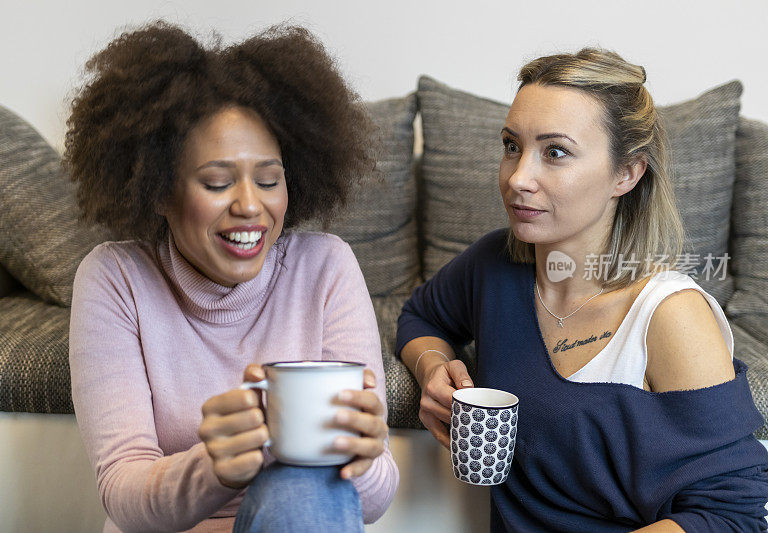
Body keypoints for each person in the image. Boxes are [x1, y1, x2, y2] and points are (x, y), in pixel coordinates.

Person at [397, 48, 768, 532]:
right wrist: (430, 370)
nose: (517, 178)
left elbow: (735, 515)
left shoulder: (670, 315)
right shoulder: (493, 266)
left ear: (626, 174)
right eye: (512, 146)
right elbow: (421, 318)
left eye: (555, 152)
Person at [66, 21, 398, 533]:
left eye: (269, 180)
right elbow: (122, 494)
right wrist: (214, 467)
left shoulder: (326, 266)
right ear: (158, 190)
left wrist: (366, 457)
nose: (250, 206)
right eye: (217, 182)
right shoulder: (116, 279)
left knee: (307, 482)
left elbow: (368, 503)